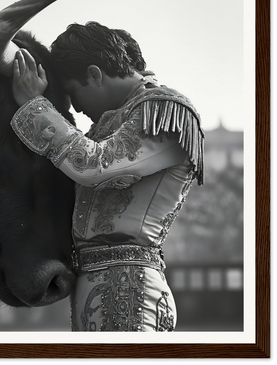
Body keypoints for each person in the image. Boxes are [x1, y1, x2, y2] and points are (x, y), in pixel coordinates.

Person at [10, 21, 204, 332]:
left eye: (73, 92)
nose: (75, 107)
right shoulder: (111, 122)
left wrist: (35, 106)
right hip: (102, 288)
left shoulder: (164, 109)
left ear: (94, 74)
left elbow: (93, 165)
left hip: (130, 289)